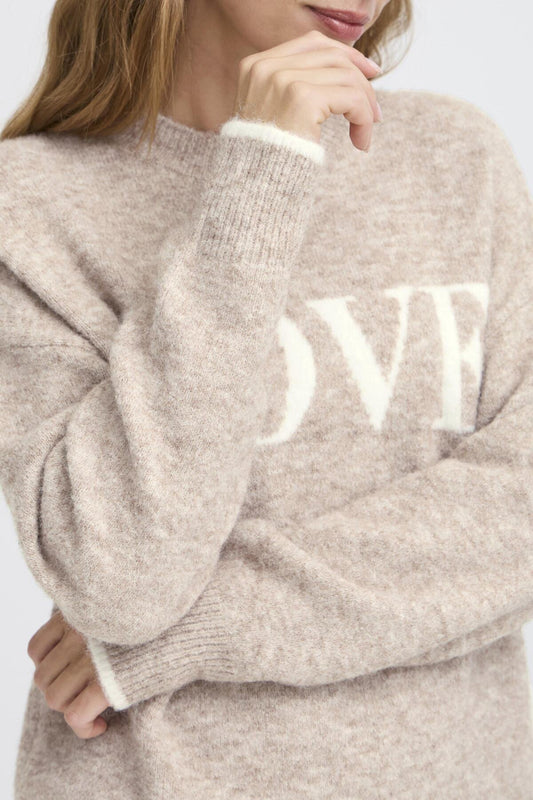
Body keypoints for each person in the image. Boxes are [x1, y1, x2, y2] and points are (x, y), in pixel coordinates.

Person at [1, 0, 532, 797]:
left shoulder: (457, 160)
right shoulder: (30, 206)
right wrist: (263, 167)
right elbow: (121, 580)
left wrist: (204, 628)